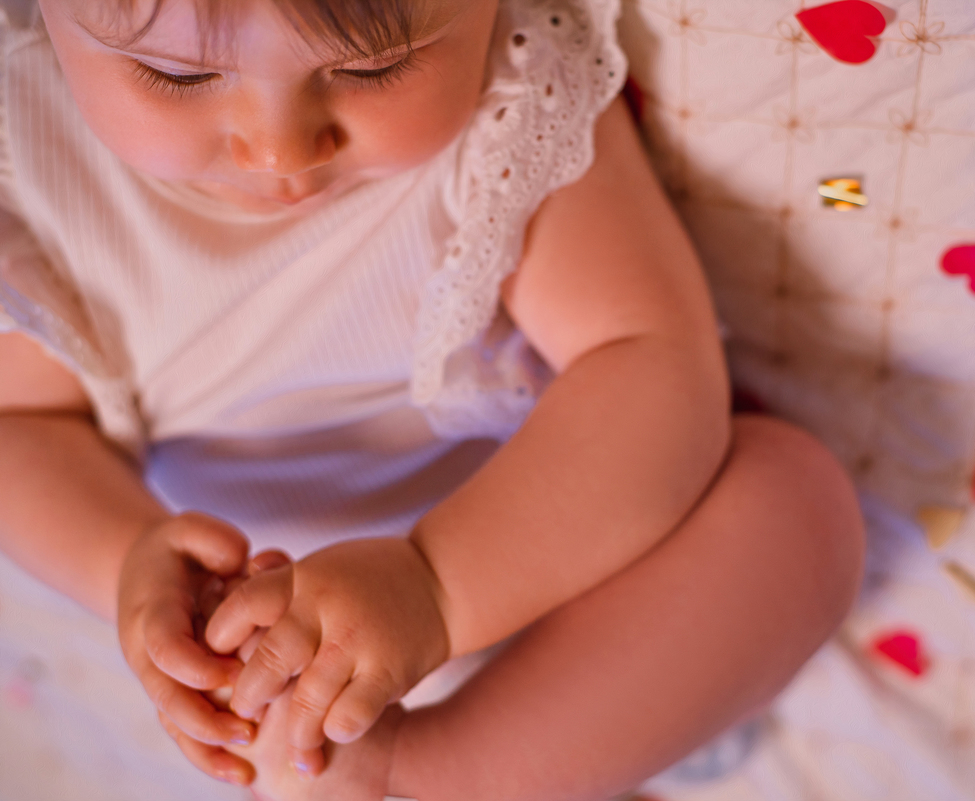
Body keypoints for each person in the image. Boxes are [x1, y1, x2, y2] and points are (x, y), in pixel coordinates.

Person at [0, 0, 865, 798]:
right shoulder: (31, 153)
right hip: (280, 660)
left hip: (554, 572)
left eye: (373, 67)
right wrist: (127, 562)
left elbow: (651, 367)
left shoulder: (510, 103)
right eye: (177, 76)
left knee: (795, 503)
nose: (282, 149)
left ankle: (437, 774)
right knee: (285, 741)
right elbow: (22, 426)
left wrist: (437, 587)